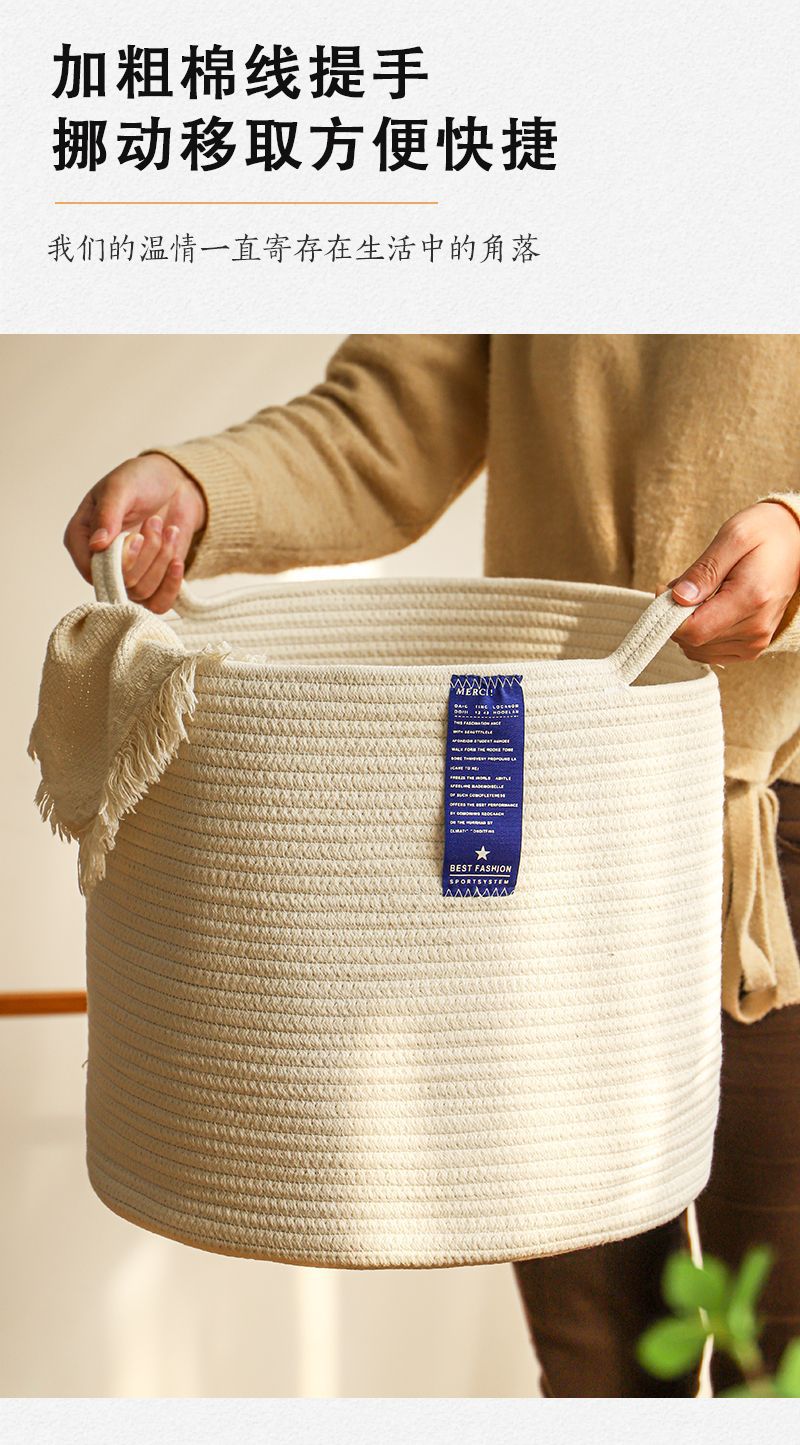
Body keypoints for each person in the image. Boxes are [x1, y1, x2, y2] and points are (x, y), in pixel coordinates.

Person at [64, 334, 800, 1397]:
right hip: (545, 814)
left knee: (780, 1351)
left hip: (775, 821)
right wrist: (197, 488)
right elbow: (393, 419)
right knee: (596, 1360)